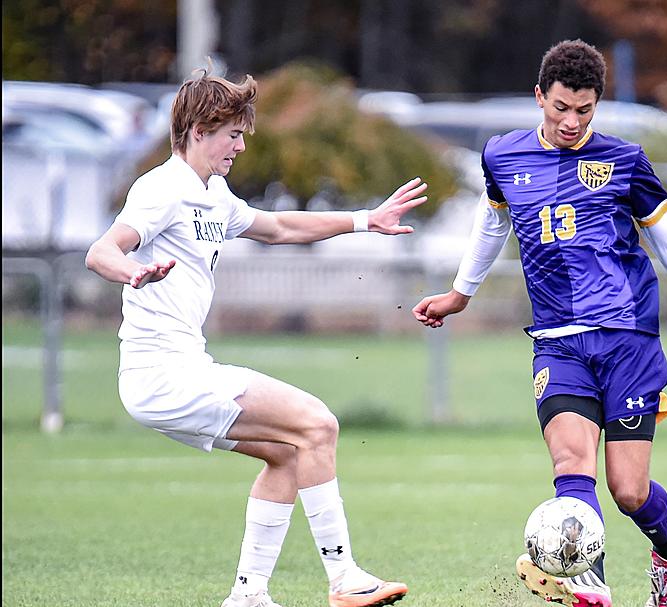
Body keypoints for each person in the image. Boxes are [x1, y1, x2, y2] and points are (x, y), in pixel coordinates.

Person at [412, 40, 667, 607]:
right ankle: (587, 578)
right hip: (557, 342)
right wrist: (459, 294)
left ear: (598, 104)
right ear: (540, 97)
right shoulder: (502, 156)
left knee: (628, 490)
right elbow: (493, 220)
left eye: (585, 110)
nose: (572, 122)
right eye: (561, 109)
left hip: (629, 340)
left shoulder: (623, 161)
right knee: (572, 465)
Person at [85, 65, 427, 607]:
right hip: (165, 373)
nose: (241, 146)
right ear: (199, 130)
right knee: (318, 423)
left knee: (290, 454)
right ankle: (344, 579)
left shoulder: (212, 193)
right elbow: (101, 250)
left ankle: (249, 596)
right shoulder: (164, 188)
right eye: (233, 134)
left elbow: (278, 228)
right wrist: (131, 271)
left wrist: (366, 220)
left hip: (173, 373)